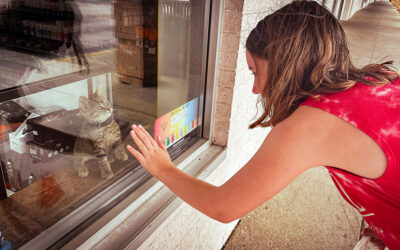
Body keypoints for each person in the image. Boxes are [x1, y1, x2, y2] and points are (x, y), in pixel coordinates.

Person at [126, 1, 400, 249]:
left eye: (256, 71)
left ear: (286, 66)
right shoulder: (380, 80)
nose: (255, 89)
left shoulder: (313, 124)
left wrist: (163, 168)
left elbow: (224, 207)